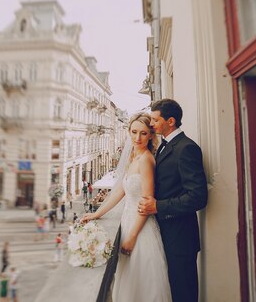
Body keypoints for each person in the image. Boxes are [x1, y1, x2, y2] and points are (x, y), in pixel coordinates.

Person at [82, 113, 172, 302]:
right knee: (129, 282)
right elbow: (120, 192)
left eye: (143, 133)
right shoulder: (134, 157)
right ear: (129, 131)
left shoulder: (146, 160)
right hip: (127, 221)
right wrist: (96, 213)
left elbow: (147, 202)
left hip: (141, 228)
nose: (137, 138)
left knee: (142, 284)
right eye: (134, 132)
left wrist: (132, 237)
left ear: (150, 136)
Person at [138, 99, 209, 302]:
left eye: (155, 120)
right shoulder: (163, 145)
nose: (151, 124)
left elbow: (198, 197)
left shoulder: (186, 148)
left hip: (181, 237)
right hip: (166, 233)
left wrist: (158, 206)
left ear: (171, 121)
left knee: (183, 293)